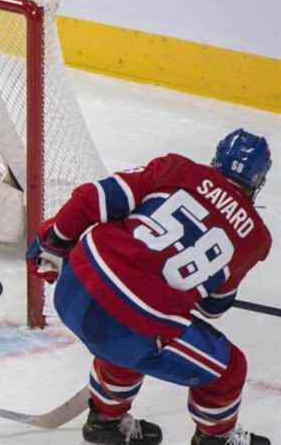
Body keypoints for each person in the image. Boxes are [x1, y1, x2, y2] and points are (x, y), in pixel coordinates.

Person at [27, 129, 273, 445]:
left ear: (216, 159)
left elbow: (94, 198)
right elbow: (213, 308)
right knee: (228, 369)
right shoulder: (256, 239)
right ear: (258, 182)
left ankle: (106, 422)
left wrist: (54, 242)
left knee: (130, 333)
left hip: (74, 286)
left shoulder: (177, 168)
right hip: (134, 327)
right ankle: (217, 438)